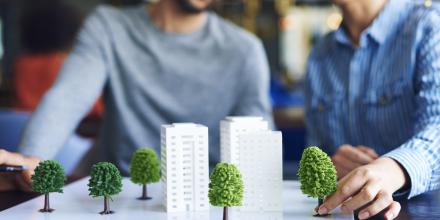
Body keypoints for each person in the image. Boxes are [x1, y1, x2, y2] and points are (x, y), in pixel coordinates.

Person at [0, 0, 271, 191]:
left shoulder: (245, 50)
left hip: (207, 195)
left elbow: (258, 140)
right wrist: (31, 159)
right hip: (113, 189)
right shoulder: (110, 26)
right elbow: (68, 97)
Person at [305, 0, 440, 219]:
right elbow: (316, 149)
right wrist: (331, 165)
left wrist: (394, 169)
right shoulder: (320, 57)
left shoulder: (430, 27)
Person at [13, 0, 104, 121]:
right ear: (72, 34)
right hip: (65, 132)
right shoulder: (65, 64)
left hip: (20, 129)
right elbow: (95, 110)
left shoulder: (21, 65)